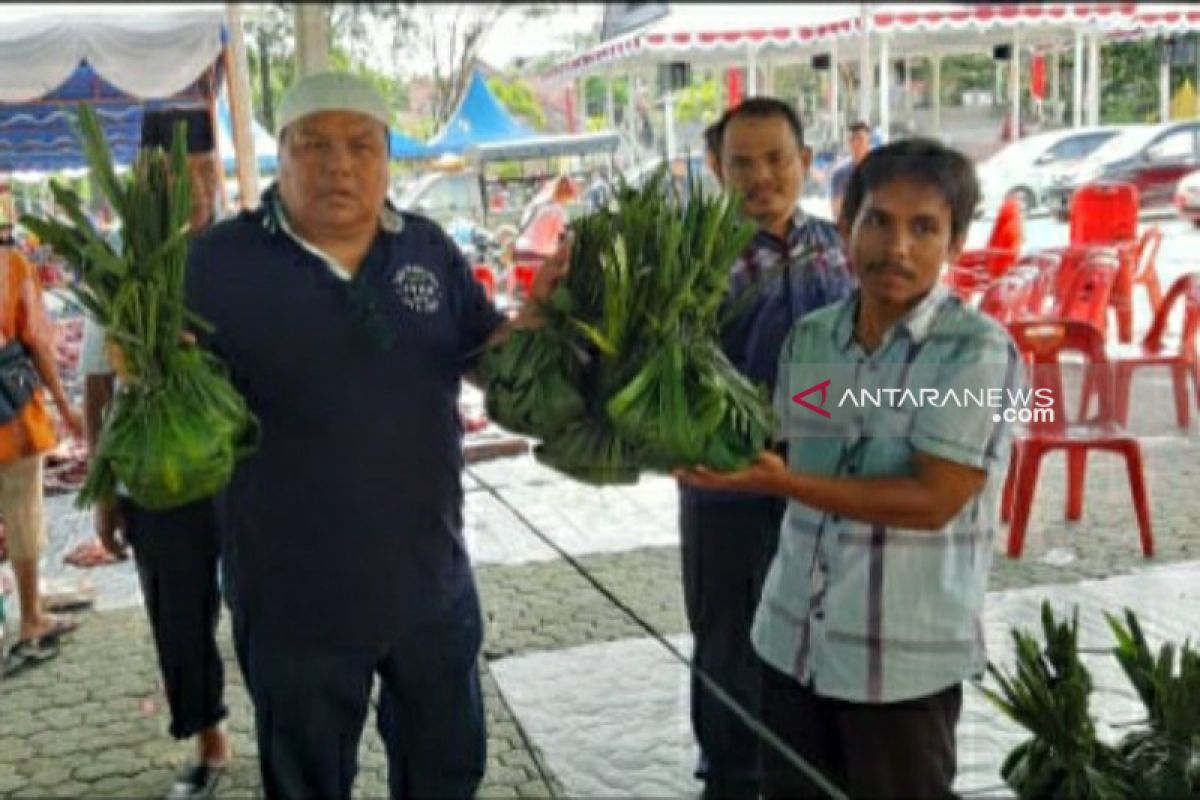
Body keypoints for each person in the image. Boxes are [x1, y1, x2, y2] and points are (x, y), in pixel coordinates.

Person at [183, 71, 558, 799]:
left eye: (361, 143)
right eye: (313, 144)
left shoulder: (426, 248)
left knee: (446, 772)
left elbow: (488, 360)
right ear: (279, 156)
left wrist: (541, 318)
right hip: (291, 597)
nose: (339, 163)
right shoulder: (218, 264)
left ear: (388, 156)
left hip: (430, 583)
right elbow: (167, 390)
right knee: (308, 782)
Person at [678, 137, 1022, 799]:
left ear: (955, 244)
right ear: (845, 226)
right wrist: (694, 445)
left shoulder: (976, 356)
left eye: (925, 228)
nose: (897, 248)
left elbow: (932, 499)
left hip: (896, 665)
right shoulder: (812, 339)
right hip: (791, 644)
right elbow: (790, 436)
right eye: (880, 222)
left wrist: (782, 483)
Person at [679, 98, 853, 800]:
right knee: (730, 643)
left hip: (824, 485)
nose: (761, 177)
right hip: (728, 487)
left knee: (821, 627)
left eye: (777, 159)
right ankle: (729, 775)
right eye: (742, 163)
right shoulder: (692, 262)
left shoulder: (841, 244)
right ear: (716, 169)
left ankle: (806, 772)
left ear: (806, 162)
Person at [80, 106, 231, 799]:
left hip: (244, 468)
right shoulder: (120, 265)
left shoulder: (246, 254)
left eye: (207, 171)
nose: (195, 188)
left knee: (274, 606)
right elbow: (98, 385)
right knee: (178, 615)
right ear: (144, 178)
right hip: (158, 479)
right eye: (177, 173)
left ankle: (298, 729)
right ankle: (209, 744)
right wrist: (105, 488)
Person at [0, 220, 84, 674]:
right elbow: (36, 342)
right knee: (21, 511)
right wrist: (66, 407)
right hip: (9, 417)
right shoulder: (10, 266)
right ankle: (31, 616)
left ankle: (32, 597)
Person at [828, 121, 872, 221]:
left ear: (869, 141)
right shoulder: (840, 174)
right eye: (852, 139)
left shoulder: (880, 169)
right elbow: (837, 210)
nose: (856, 144)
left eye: (860, 139)